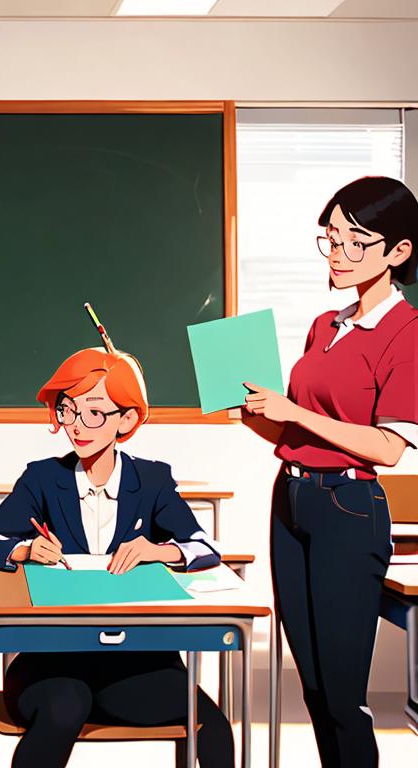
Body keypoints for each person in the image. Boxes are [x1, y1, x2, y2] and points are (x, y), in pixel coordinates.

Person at [0, 345, 231, 768]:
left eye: (94, 413)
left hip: (135, 664)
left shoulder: (153, 479)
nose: (78, 426)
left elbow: (205, 546)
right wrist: (24, 548)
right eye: (68, 411)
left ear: (126, 419)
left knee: (213, 724)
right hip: (50, 660)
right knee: (65, 706)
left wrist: (158, 550)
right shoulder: (43, 478)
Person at [242, 176, 418, 767]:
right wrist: (254, 414)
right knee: (313, 684)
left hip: (349, 509)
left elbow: (388, 448)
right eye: (331, 239)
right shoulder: (325, 325)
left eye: (355, 242)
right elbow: (296, 433)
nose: (338, 255)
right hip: (290, 501)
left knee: (343, 693)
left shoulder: (406, 334)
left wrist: (293, 412)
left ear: (398, 252)